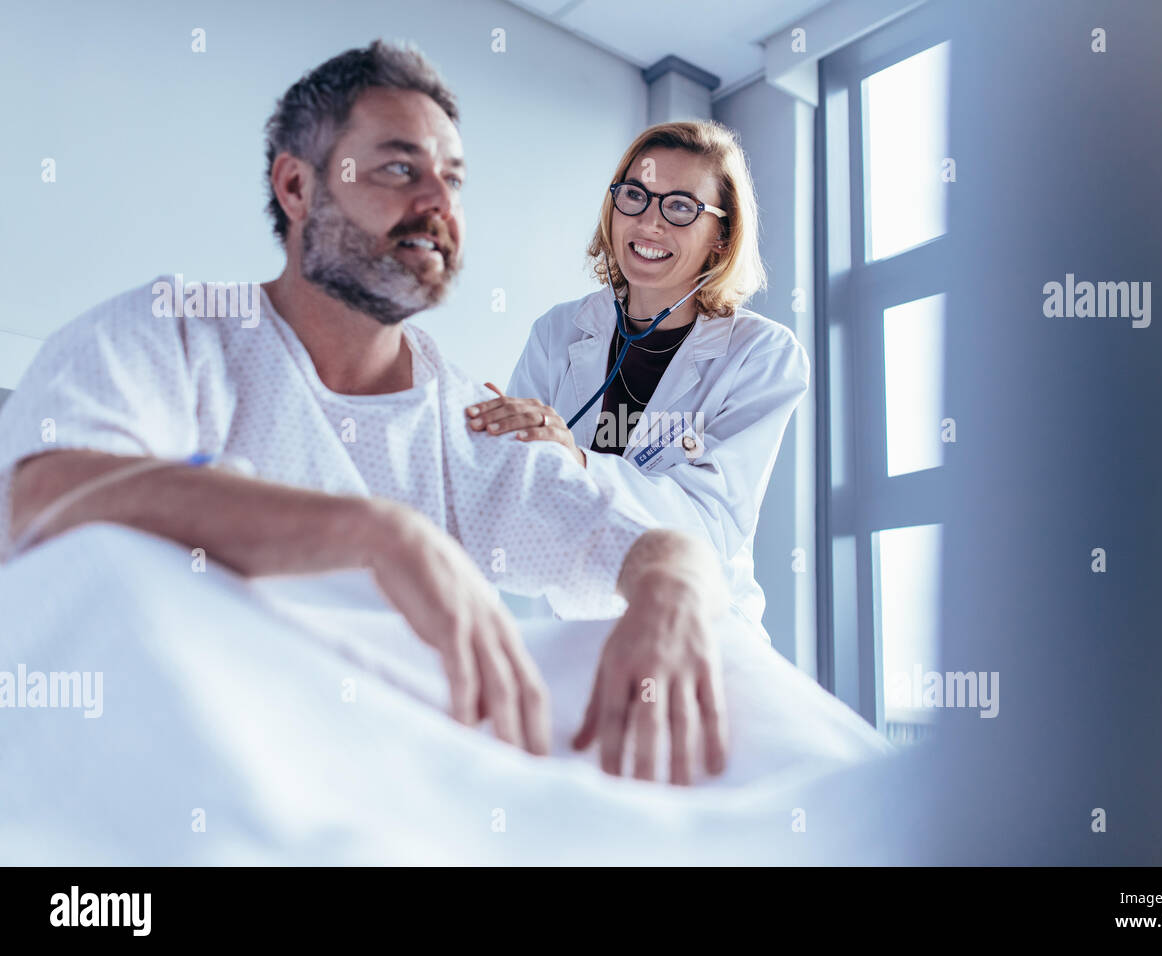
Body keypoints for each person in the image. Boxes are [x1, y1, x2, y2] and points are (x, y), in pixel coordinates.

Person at [0, 41, 730, 786]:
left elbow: (645, 541)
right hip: (163, 775)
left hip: (385, 788)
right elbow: (43, 498)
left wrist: (668, 595)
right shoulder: (176, 332)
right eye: (399, 169)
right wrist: (374, 533)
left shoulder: (469, 422)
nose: (439, 206)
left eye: (452, 179)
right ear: (297, 187)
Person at [464, 121, 809, 639]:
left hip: (702, 638)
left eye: (680, 207)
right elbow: (518, 494)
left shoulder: (762, 355)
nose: (649, 223)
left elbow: (707, 525)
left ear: (721, 235)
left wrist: (576, 462)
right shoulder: (558, 332)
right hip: (578, 633)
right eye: (635, 196)